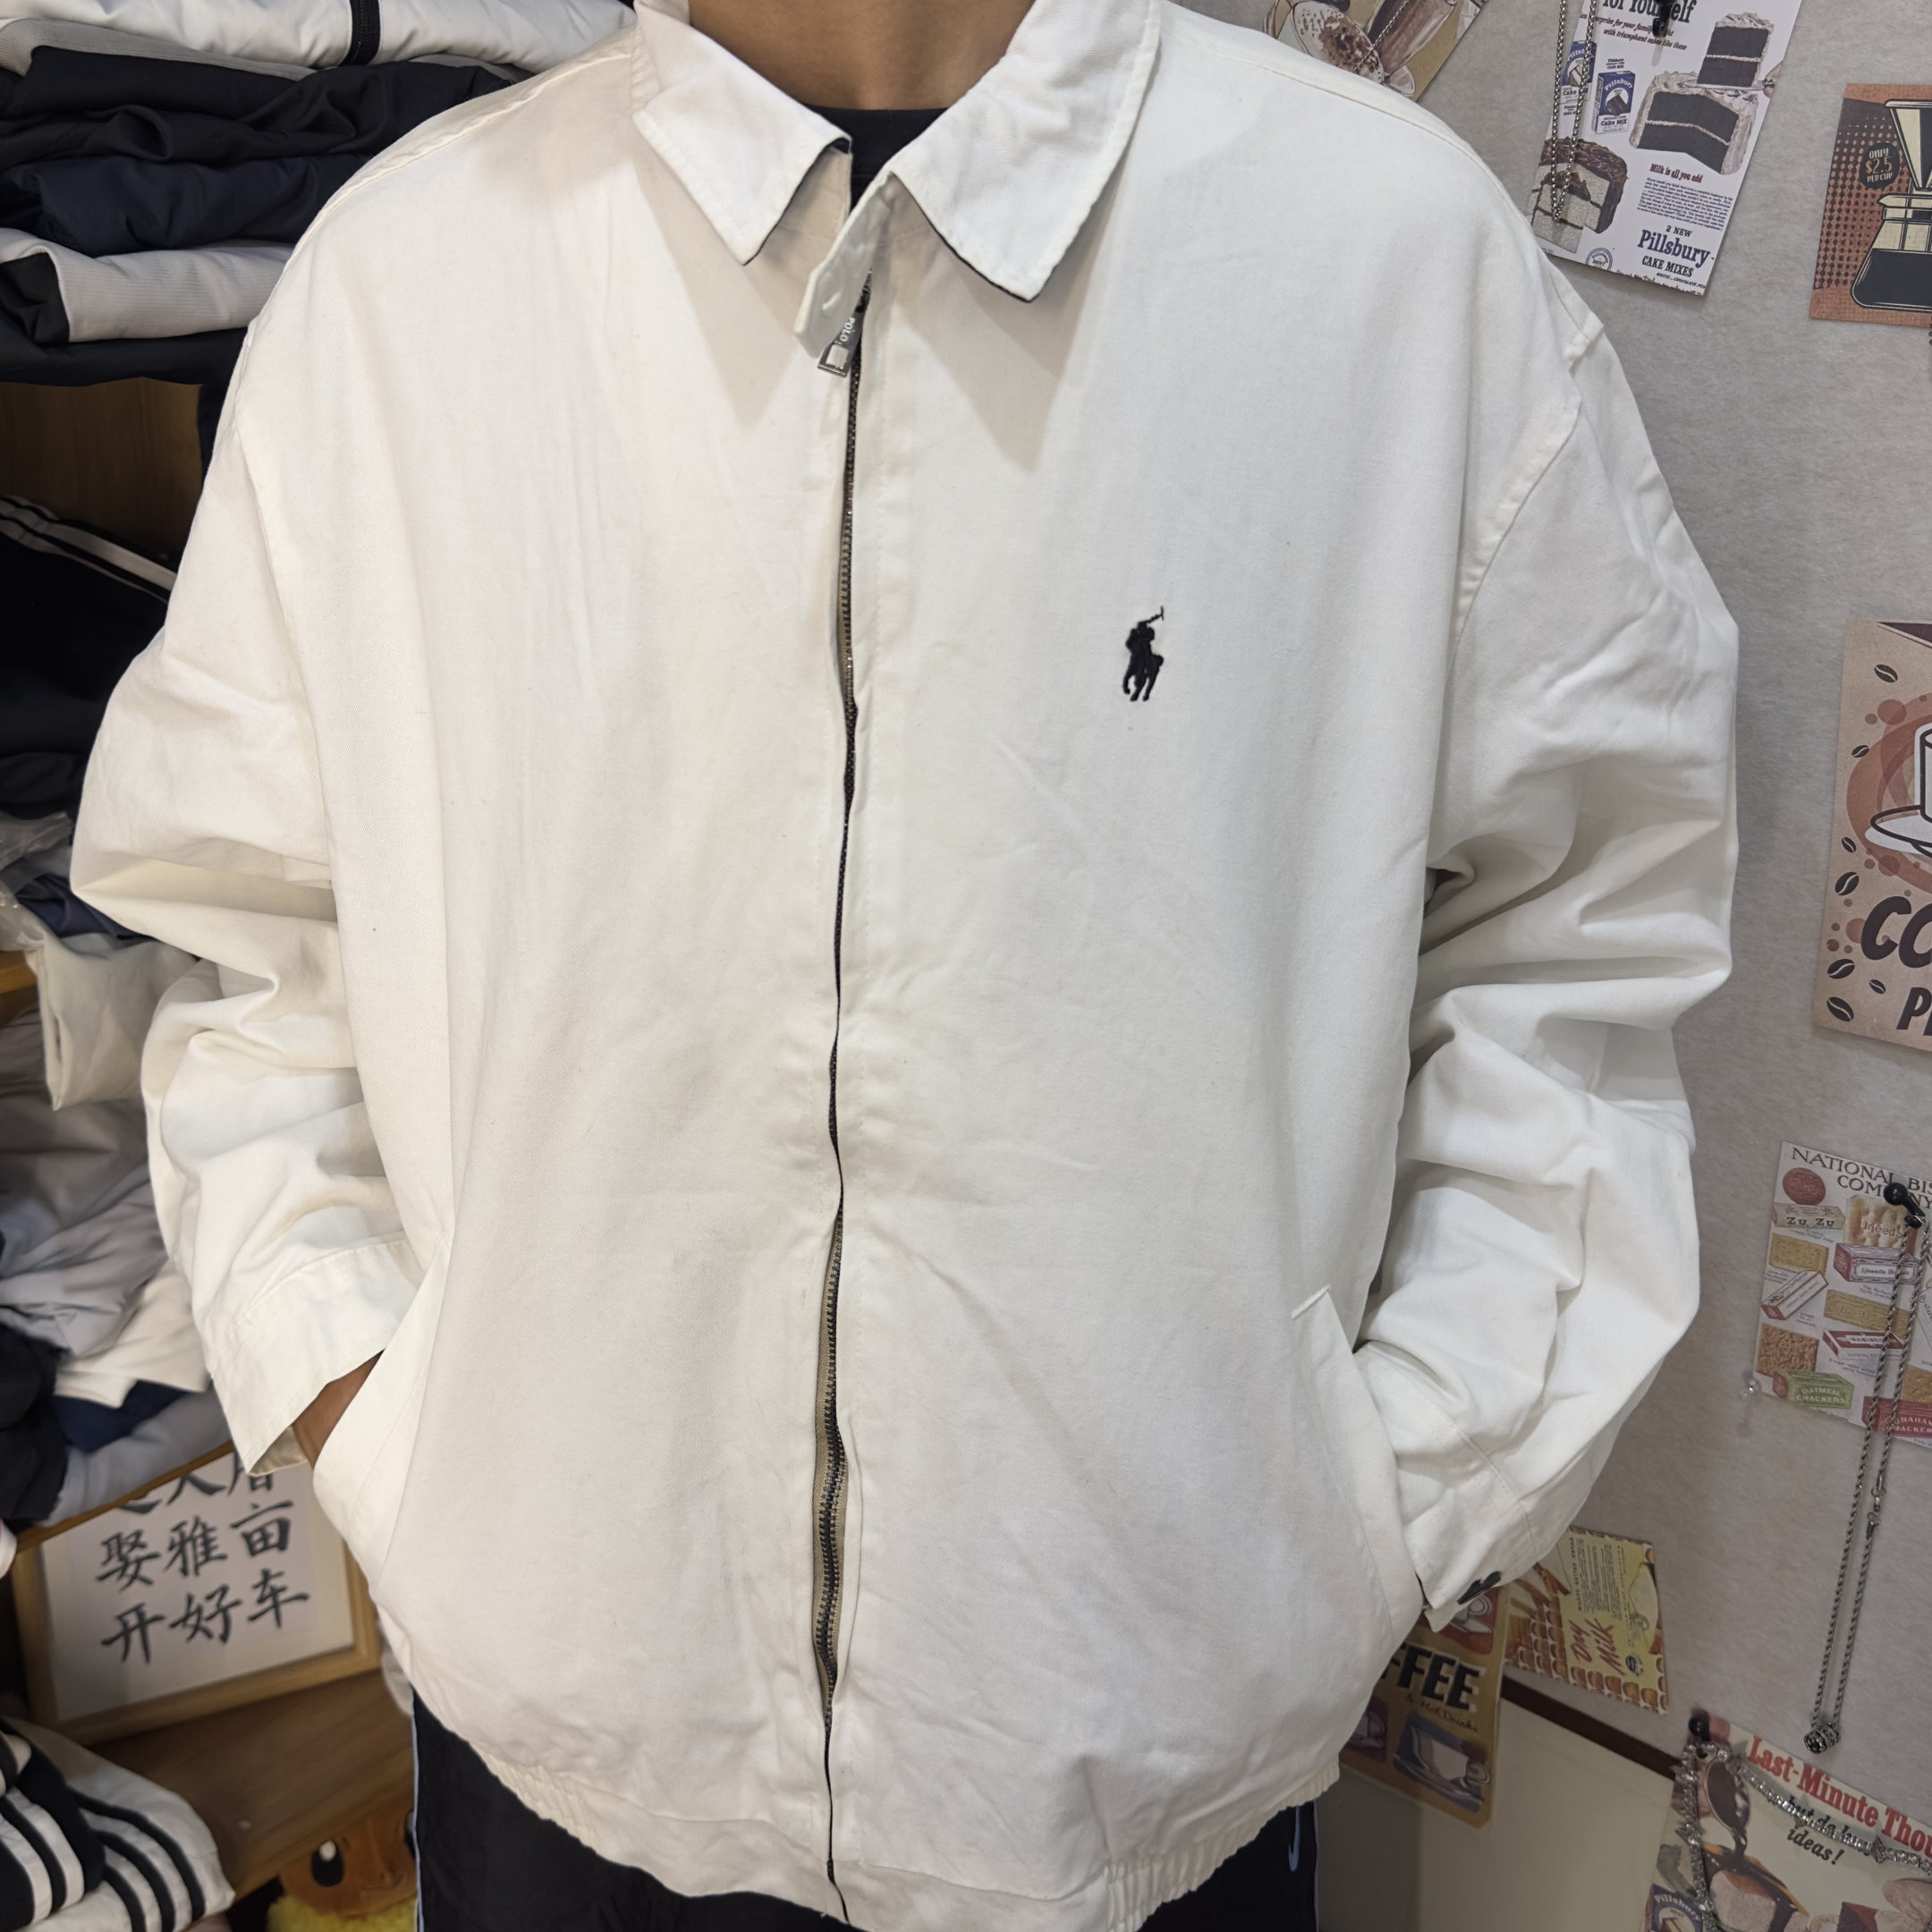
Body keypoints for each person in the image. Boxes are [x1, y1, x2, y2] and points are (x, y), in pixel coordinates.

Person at [71, 0, 1739, 1922]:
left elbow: (1578, 935)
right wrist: (390, 1432)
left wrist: (1380, 1507)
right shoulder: (403, 285)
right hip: (557, 1743)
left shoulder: (1389, 263)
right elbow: (249, 934)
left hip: (1148, 1764)